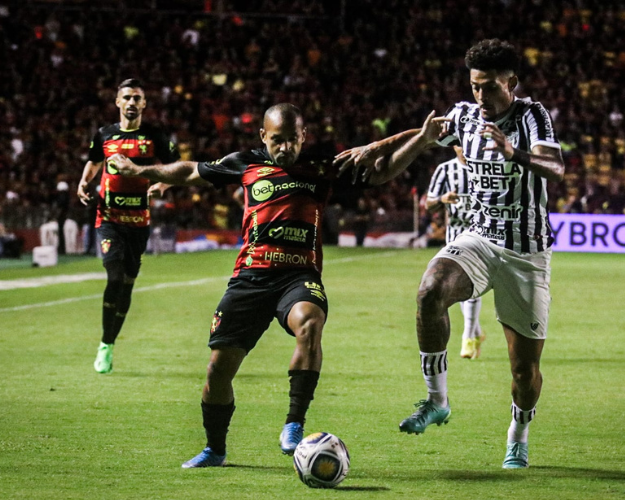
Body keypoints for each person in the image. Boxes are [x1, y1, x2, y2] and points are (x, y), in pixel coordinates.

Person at [109, 103, 420, 468]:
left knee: (310, 322)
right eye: (277, 140)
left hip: (298, 275)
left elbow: (381, 172)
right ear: (263, 136)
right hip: (251, 277)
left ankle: (293, 423)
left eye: (292, 139)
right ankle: (215, 449)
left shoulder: (322, 166)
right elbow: (190, 171)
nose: (285, 147)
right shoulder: (246, 163)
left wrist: (424, 139)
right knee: (217, 371)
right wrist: (139, 170)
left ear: (303, 136)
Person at [344, 39, 565, 468]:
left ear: (512, 82)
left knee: (524, 372)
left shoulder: (532, 116)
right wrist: (377, 147)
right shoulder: (465, 113)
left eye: (489, 87)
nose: (480, 96)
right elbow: (426, 133)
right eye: (475, 86)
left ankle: (517, 433)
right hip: (479, 239)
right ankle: (436, 400)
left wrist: (512, 152)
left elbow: (556, 168)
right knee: (429, 292)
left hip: (526, 252)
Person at [77, 78, 178, 374]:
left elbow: (176, 167)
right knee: (115, 273)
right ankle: (105, 345)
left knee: (128, 283)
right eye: (127, 98)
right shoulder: (105, 135)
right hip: (109, 219)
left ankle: (110, 342)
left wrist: (162, 185)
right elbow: (94, 162)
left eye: (137, 98)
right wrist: (84, 182)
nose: (132, 103)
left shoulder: (155, 136)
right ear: (118, 103)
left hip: (139, 223)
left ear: (144, 104)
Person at [425, 147, 485, 359]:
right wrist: (442, 199)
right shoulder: (446, 170)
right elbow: (428, 203)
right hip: (455, 237)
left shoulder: (485, 166)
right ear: (455, 146)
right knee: (460, 287)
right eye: (460, 144)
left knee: (472, 285)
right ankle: (476, 332)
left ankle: (468, 337)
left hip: (481, 235)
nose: (466, 148)